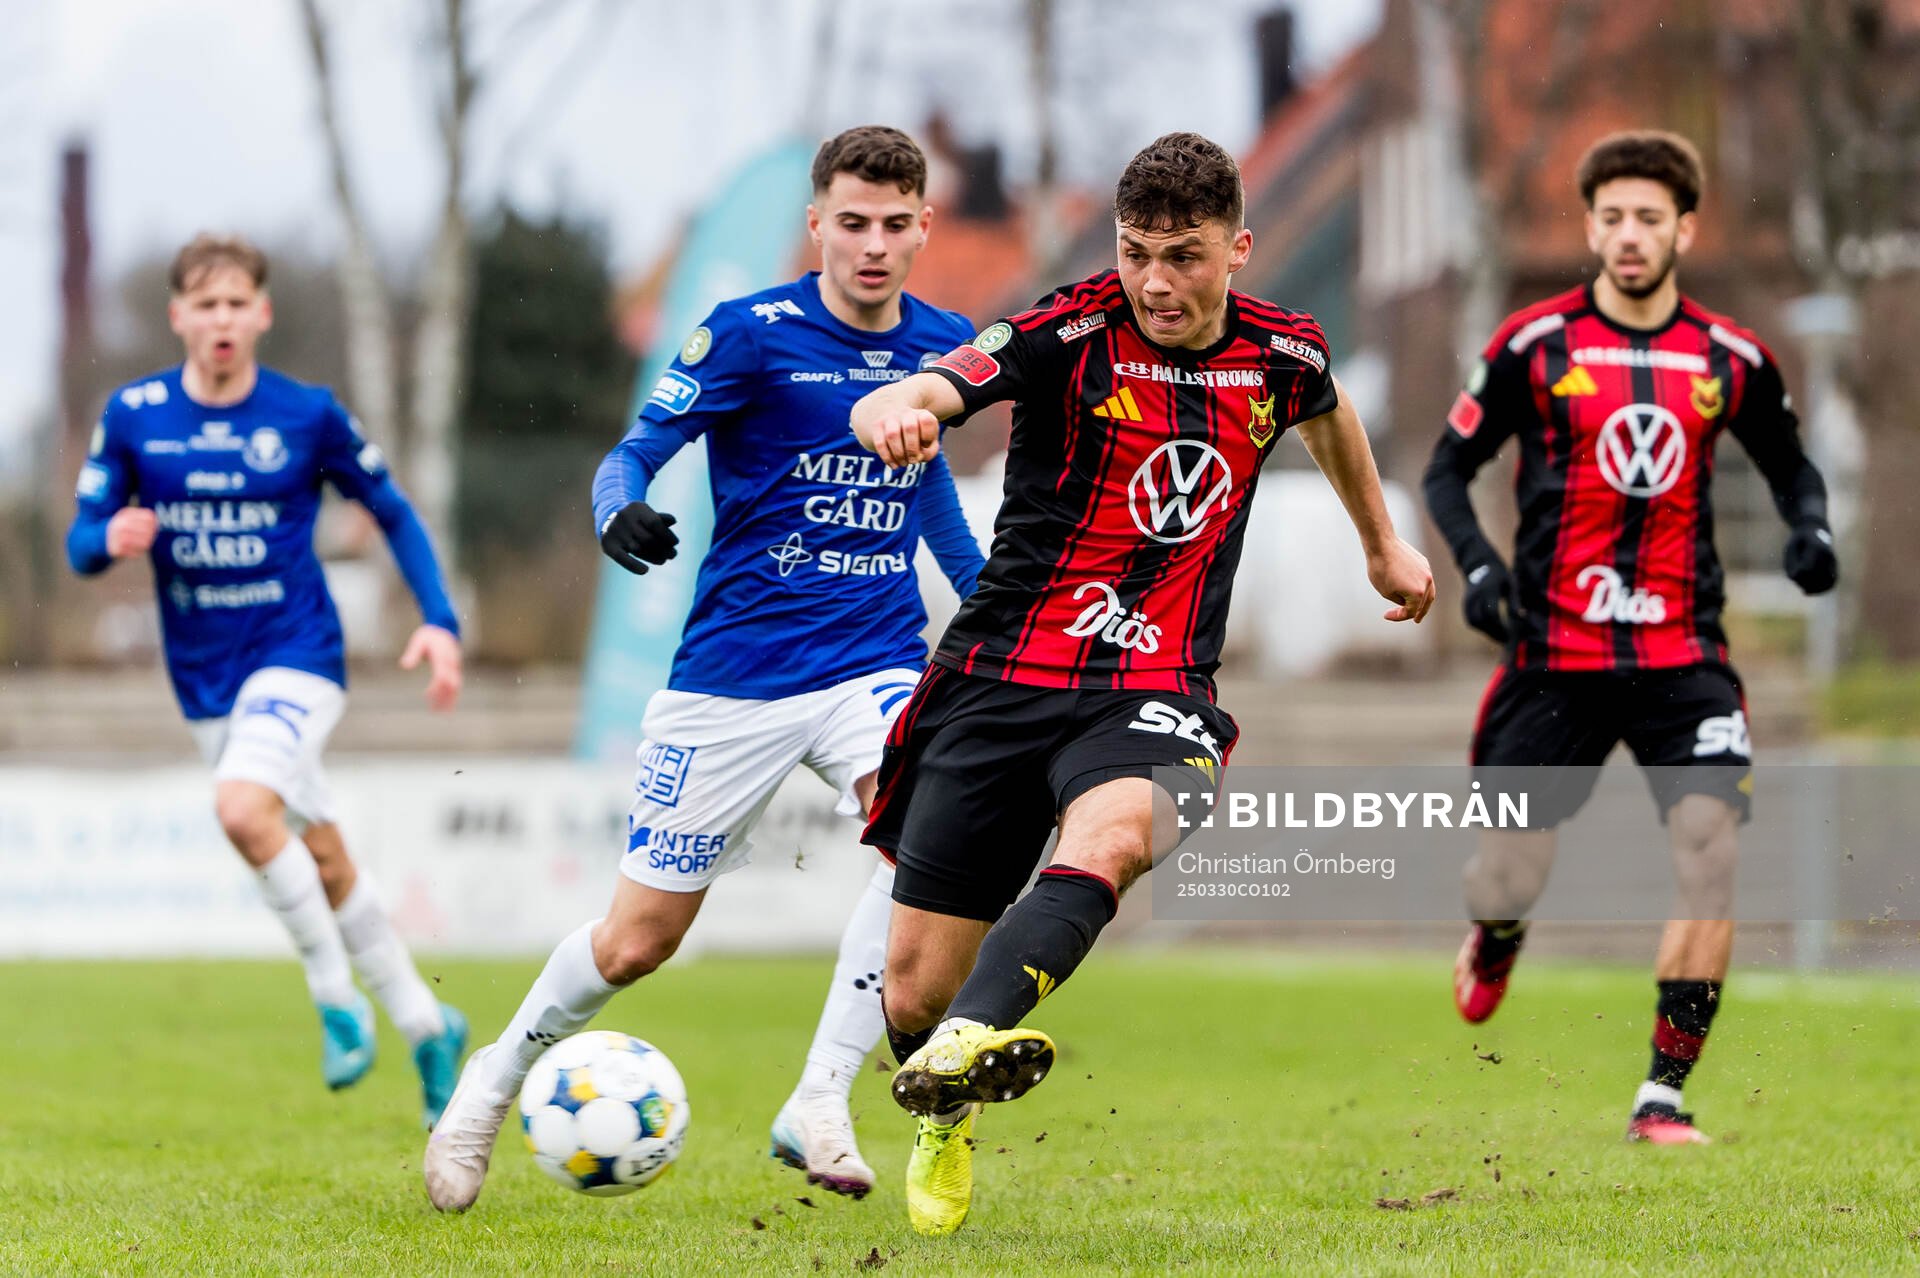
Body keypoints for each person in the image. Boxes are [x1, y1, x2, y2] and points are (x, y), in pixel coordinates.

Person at [849, 131, 1435, 1235]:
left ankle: (976, 1041)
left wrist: (1381, 545)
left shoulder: (1284, 356)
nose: (1156, 282)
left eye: (1184, 255)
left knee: (1115, 835)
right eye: (1136, 254)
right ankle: (947, 1096)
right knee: (915, 993)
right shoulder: (1068, 332)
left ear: (1239, 250)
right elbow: (949, 375)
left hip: (1155, 683)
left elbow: (1332, 414)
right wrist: (898, 407)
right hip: (1001, 674)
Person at [423, 125, 984, 1211]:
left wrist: (995, 607)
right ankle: (491, 1084)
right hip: (734, 679)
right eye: (851, 223)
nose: (872, 246)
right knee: (639, 942)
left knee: (928, 837)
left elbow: (933, 505)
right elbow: (635, 451)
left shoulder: (946, 346)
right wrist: (614, 511)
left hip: (874, 663)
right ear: (816, 224)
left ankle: (820, 1096)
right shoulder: (748, 333)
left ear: (924, 228)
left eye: (893, 225)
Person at [1422, 130, 1838, 1145]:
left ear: (1685, 228)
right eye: (1612, 217)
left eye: (1650, 217)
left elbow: (1792, 468)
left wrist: (1811, 532)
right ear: (1590, 227)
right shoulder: (1533, 346)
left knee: (1712, 853)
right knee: (1506, 872)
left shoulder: (1729, 358)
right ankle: (1501, 930)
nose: (1629, 235)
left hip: (1682, 661)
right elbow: (1445, 469)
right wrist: (1477, 569)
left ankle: (1663, 1095)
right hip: (1553, 658)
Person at [66, 234, 469, 1128]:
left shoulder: (306, 414)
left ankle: (336, 997)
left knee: (242, 811)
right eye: (203, 304)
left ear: (262, 314)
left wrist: (439, 619)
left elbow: (391, 509)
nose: (221, 319)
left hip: (297, 653)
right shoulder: (133, 416)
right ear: (178, 315)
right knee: (320, 856)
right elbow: (81, 538)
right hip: (205, 678)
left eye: (236, 302)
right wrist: (108, 541)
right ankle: (426, 1021)